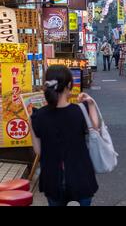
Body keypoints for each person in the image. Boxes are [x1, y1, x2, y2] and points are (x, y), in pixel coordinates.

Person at [30, 65, 100, 206]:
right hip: (81, 176)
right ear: (69, 85)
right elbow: (96, 129)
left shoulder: (37, 116)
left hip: (52, 178)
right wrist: (91, 104)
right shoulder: (80, 111)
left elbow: (38, 151)